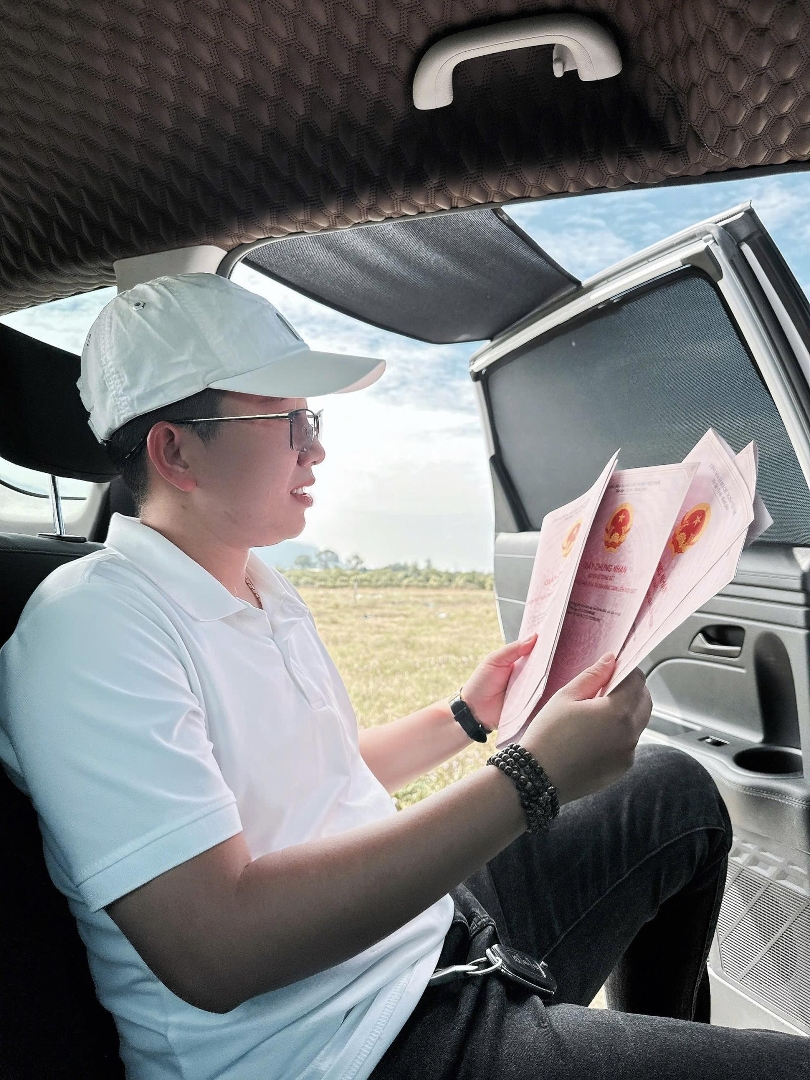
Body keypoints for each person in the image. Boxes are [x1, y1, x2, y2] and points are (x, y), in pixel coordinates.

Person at [0, 273, 806, 1080]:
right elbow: (214, 949)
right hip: (346, 1048)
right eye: (286, 421)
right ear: (175, 451)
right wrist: (529, 779)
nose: (315, 447)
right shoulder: (90, 624)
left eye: (311, 419)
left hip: (427, 938)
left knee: (674, 793)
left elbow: (316, 774)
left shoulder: (258, 586)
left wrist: (466, 715)